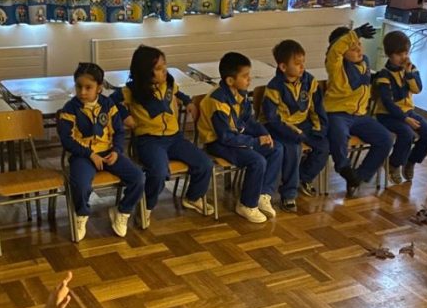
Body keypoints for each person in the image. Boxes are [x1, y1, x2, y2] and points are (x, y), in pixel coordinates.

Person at [113, 45, 214, 225]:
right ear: (145, 72)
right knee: (159, 172)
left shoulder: (169, 83)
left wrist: (188, 102)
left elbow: (178, 92)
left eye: (164, 65)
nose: (164, 71)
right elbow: (109, 102)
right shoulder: (132, 90)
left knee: (205, 163)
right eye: (159, 68)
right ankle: (147, 206)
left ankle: (192, 197)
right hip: (149, 141)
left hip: (174, 138)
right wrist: (125, 114)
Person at [57, 62, 145, 240]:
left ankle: (122, 211)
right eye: (79, 86)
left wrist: (117, 151)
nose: (82, 92)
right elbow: (67, 140)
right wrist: (90, 154)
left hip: (108, 152)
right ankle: (81, 214)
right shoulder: (70, 109)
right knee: (81, 184)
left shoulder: (108, 104)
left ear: (99, 87)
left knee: (138, 177)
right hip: (83, 155)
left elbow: (119, 131)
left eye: (88, 87)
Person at [197, 52, 282, 223]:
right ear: (230, 80)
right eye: (245, 76)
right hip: (217, 142)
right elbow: (225, 137)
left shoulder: (241, 93)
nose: (249, 79)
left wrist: (263, 133)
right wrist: (254, 142)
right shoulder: (217, 101)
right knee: (257, 161)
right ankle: (246, 204)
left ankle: (263, 194)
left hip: (236, 137)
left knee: (276, 148)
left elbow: (248, 120)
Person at [323, 24, 392, 198]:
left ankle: (358, 177)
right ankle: (344, 168)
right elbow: (335, 50)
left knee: (385, 139)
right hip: (337, 113)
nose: (358, 49)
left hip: (360, 116)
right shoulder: (336, 66)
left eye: (359, 44)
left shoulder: (364, 62)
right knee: (339, 134)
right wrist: (355, 34)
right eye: (352, 48)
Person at [262, 40, 329, 211]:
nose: (302, 67)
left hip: (303, 124)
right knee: (293, 149)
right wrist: (292, 133)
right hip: (281, 127)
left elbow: (317, 108)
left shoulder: (310, 81)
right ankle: (288, 194)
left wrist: (319, 128)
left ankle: (303, 177)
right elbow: (272, 118)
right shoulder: (274, 87)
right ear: (283, 67)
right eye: (297, 63)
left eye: (303, 62)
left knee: (323, 146)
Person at [371, 31, 427, 184]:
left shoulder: (411, 69)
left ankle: (410, 161)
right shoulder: (384, 75)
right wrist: (406, 119)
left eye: (406, 53)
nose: (404, 57)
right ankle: (393, 164)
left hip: (408, 112)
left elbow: (417, 89)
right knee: (407, 134)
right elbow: (388, 103)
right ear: (389, 54)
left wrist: (408, 74)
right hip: (387, 115)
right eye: (399, 54)